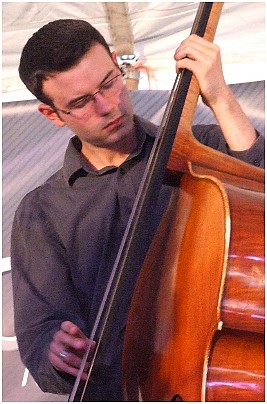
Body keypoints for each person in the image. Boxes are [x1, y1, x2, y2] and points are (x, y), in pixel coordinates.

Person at [11, 18, 264, 402]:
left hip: (217, 381)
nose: (107, 106)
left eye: (109, 82)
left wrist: (221, 97)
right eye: (80, 102)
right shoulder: (41, 212)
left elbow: (260, 192)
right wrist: (56, 350)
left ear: (116, 62)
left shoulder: (205, 151)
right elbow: (38, 334)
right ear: (52, 115)